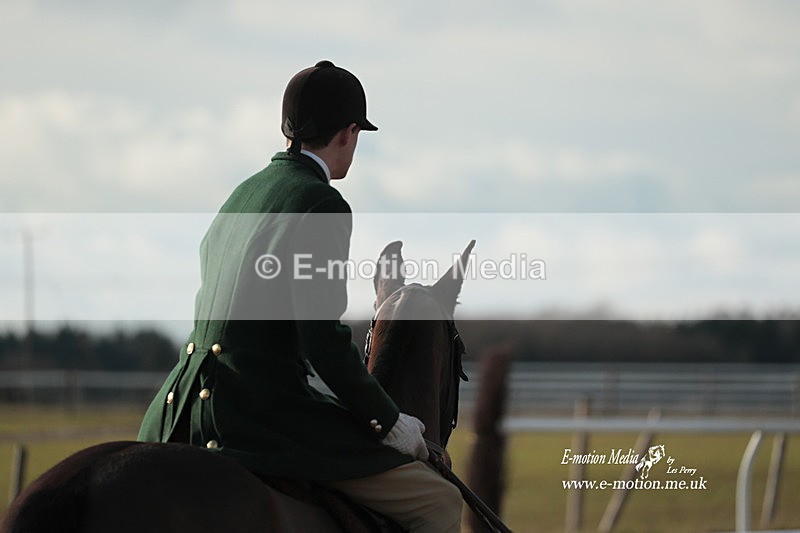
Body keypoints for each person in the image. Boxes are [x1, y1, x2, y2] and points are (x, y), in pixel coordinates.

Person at [138, 60, 462, 532]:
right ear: (349, 133)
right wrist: (389, 422)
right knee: (439, 503)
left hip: (179, 410)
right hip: (256, 415)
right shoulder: (321, 202)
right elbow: (322, 340)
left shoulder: (243, 194)